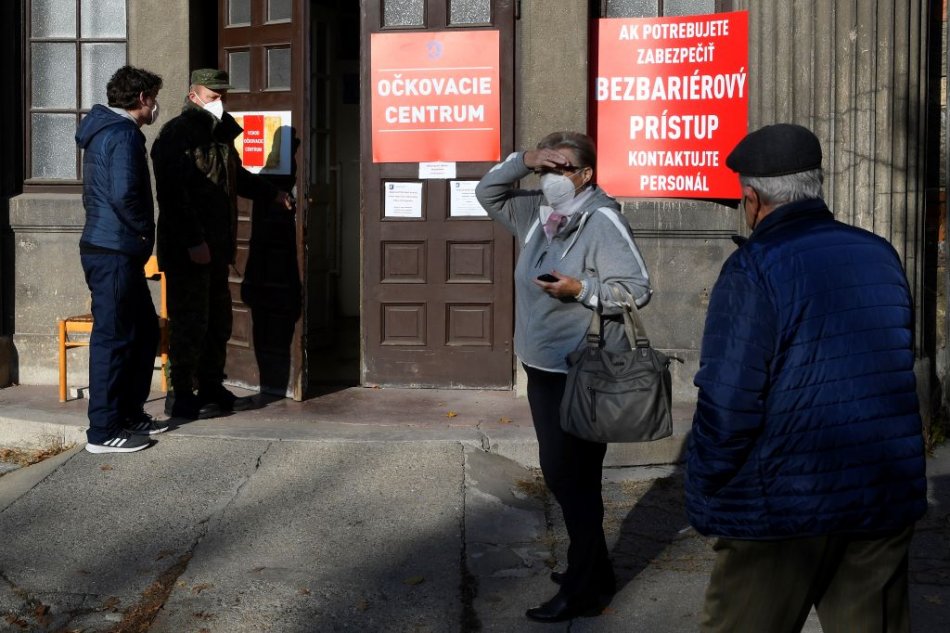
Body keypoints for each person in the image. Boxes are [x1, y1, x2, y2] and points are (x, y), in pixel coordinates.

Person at [686, 123, 928, 632]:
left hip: (782, 506)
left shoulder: (753, 267)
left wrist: (704, 490)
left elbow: (729, 403)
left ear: (752, 200)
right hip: (878, 491)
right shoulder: (880, 253)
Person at [475, 131, 651, 623]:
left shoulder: (602, 219)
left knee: (569, 477)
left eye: (563, 168)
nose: (552, 178)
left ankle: (584, 588)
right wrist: (524, 160)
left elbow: (637, 289)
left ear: (586, 174)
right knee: (571, 478)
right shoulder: (536, 212)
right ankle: (591, 571)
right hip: (542, 367)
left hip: (583, 371)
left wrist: (582, 290)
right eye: (546, 168)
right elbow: (487, 192)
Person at [151, 69, 293, 420]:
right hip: (189, 250)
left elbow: (236, 177)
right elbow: (172, 195)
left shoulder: (220, 133)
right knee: (189, 322)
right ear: (193, 96)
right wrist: (193, 242)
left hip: (216, 247)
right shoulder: (177, 134)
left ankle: (212, 386)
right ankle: (180, 395)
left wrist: (273, 194)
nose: (219, 102)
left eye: (222, 96)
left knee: (218, 320)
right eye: (213, 96)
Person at [75, 65, 167, 453]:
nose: (155, 105)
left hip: (112, 247)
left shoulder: (107, 131)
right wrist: (145, 231)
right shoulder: (123, 134)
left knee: (142, 331)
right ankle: (103, 430)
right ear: (142, 98)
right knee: (112, 338)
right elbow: (124, 193)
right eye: (154, 97)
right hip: (114, 249)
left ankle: (129, 413)